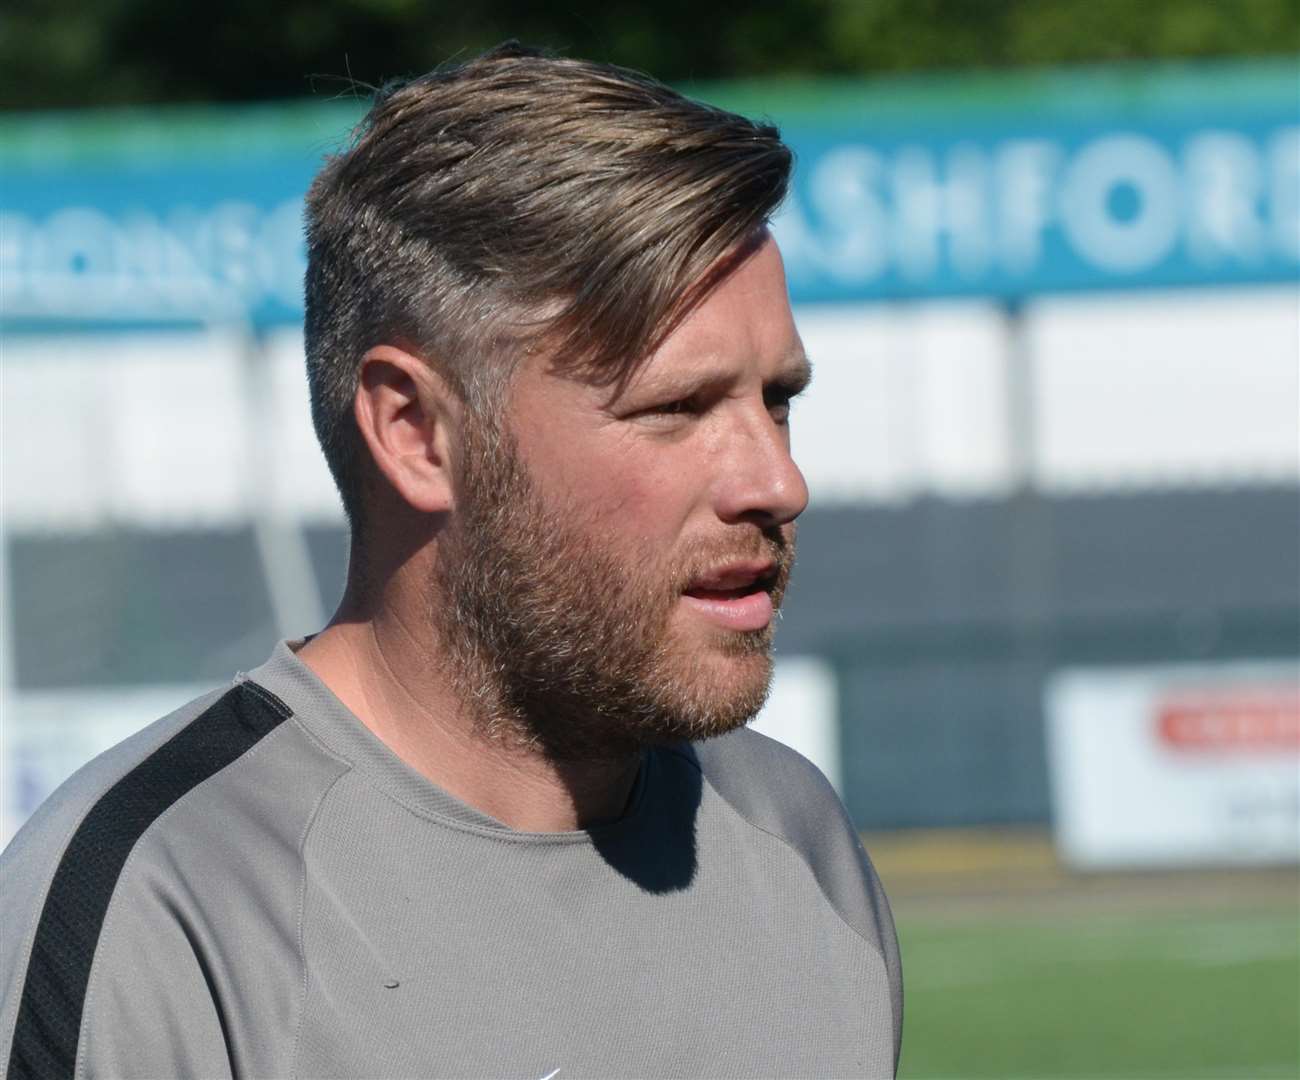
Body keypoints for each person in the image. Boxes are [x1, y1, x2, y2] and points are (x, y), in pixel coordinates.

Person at [0, 42, 902, 1079]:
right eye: (678, 408)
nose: (777, 482)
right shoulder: (160, 911)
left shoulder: (798, 849)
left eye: (775, 400)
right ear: (418, 433)